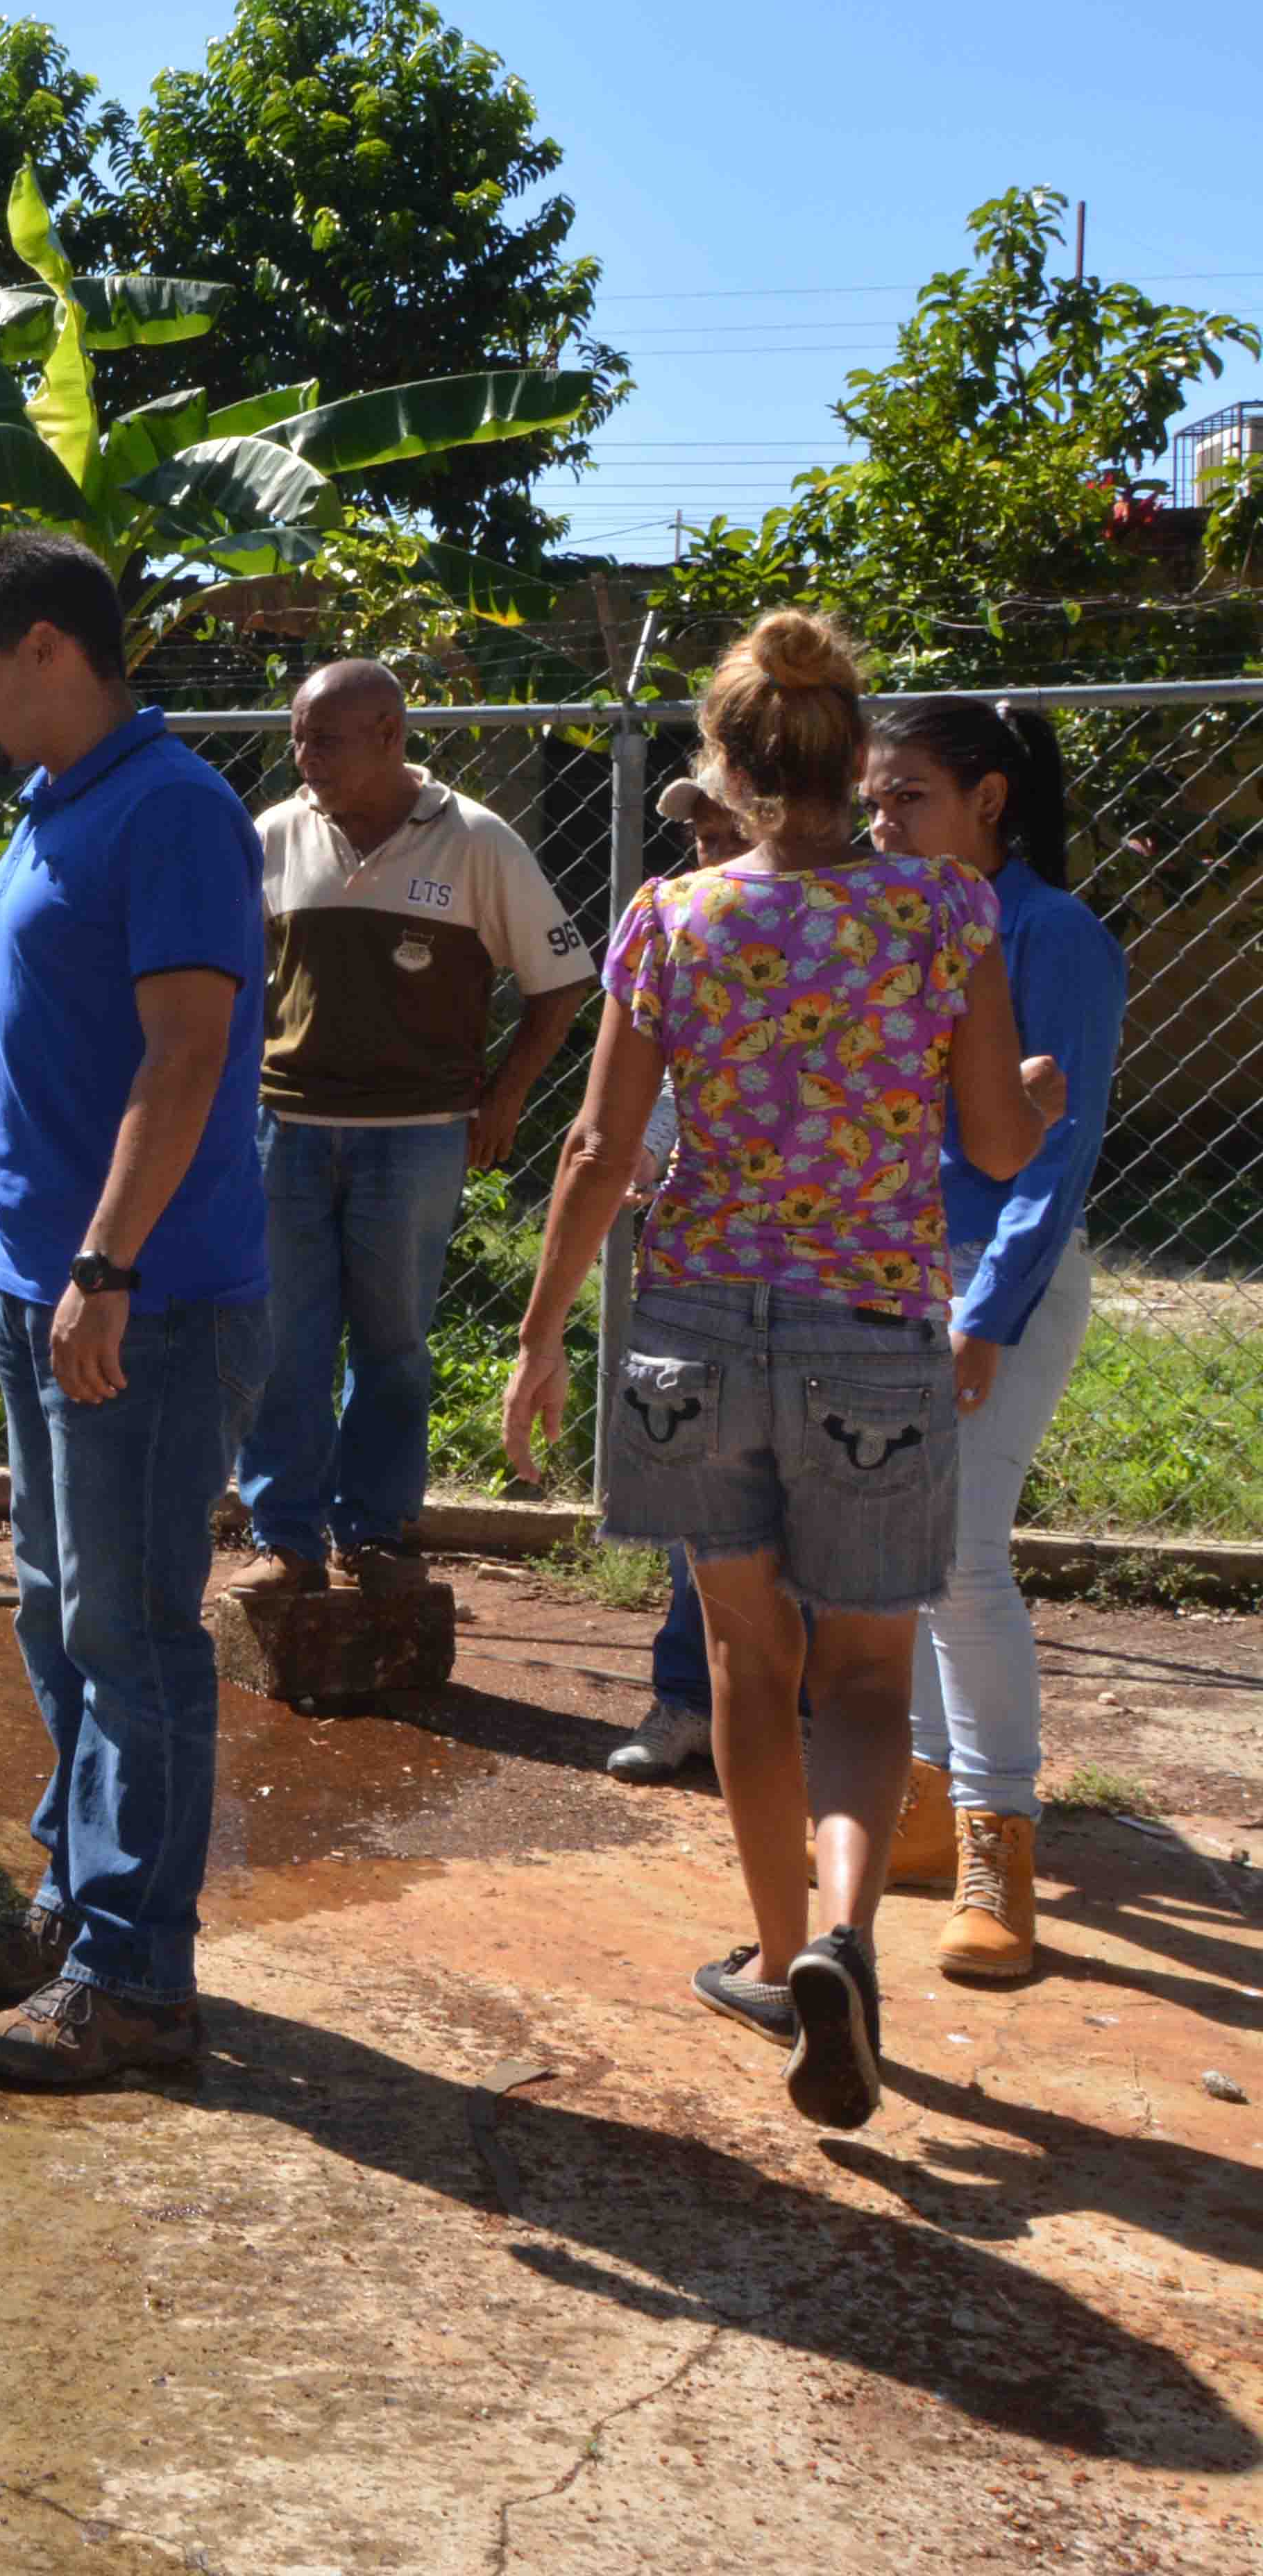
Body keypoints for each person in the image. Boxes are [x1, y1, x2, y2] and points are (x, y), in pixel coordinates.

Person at [505, 609, 1054, 2132]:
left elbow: (600, 1146)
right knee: (868, 1673)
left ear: (725, 765)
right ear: (844, 754)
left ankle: (765, 1951)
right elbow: (994, 1146)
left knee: (750, 1658)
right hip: (867, 1326)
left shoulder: (669, 919)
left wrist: (544, 1327)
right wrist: (1026, 1092)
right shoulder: (944, 911)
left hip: (688, 1324)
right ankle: (839, 1936)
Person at [0, 532, 271, 2091]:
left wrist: (107, 1261)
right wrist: (11, 1236)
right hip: (53, 1280)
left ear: (54, 649)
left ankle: (138, 1973)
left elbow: (182, 1054)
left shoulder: (173, 808)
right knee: (56, 1608)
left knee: (128, 1627)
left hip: (145, 1293)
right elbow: (36, 1060)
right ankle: (73, 1902)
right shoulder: (46, 810)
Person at [229, 659, 594, 1602]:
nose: (305, 758)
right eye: (299, 738)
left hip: (418, 1136)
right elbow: (226, 981)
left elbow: (562, 979)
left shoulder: (476, 841)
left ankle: (378, 1532)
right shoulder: (273, 836)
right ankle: (287, 1539)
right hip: (287, 1130)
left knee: (393, 1342)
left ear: (390, 734)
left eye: (326, 739)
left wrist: (506, 1094)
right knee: (287, 1341)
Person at [859, 695, 1124, 1982]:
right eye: (873, 797)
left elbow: (1053, 1158)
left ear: (989, 801)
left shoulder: (1050, 930)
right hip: (887, 1270)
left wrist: (986, 1315)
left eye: (908, 795)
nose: (881, 819)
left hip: (991, 1282)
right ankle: (913, 1812)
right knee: (897, 1550)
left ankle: (996, 1841)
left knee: (960, 1558)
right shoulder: (894, 922)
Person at [608, 767, 781, 1782]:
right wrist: (642, 1150)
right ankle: (688, 1701)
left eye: (726, 833)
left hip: (818, 1264)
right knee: (698, 1485)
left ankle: (794, 1714)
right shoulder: (680, 927)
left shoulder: (849, 933)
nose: (707, 854)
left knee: (804, 1502)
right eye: (701, 837)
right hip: (699, 1261)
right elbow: (656, 1080)